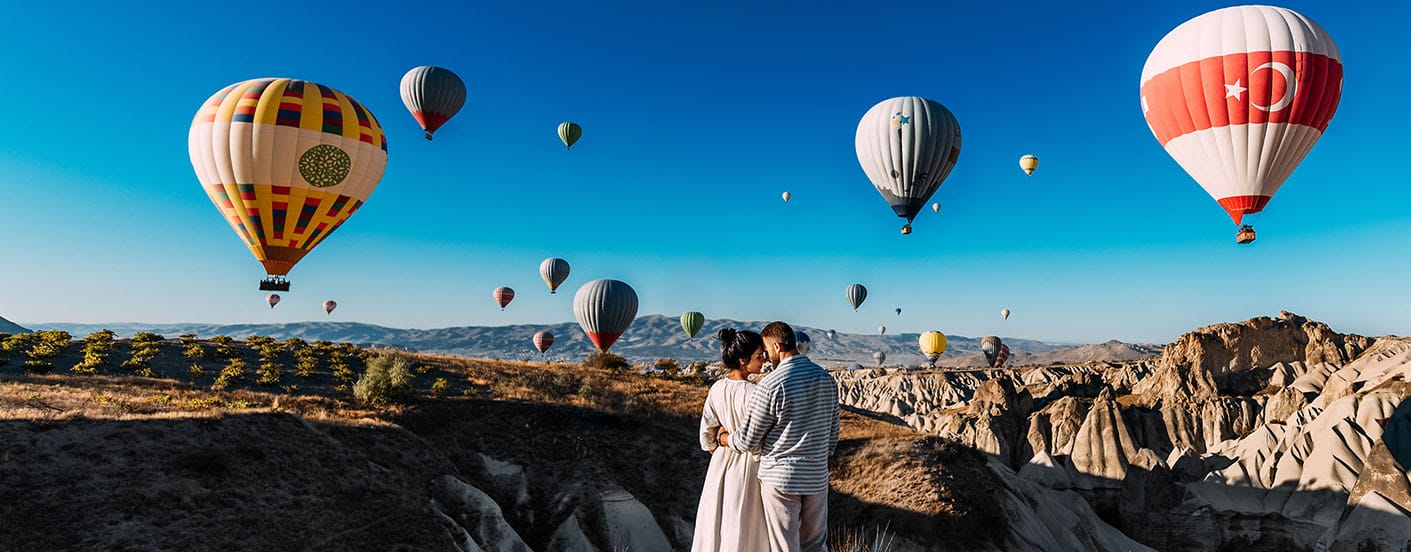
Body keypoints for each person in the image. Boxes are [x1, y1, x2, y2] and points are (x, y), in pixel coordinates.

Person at [719, 321, 840, 552]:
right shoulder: (826, 379)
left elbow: (746, 440)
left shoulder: (771, 386)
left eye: (765, 350)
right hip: (816, 477)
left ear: (777, 346)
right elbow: (833, 435)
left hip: (781, 479)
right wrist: (817, 461)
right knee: (815, 545)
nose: (764, 357)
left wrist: (724, 438)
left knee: (785, 546)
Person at [691, 328, 770, 551]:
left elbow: (706, 436)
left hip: (721, 465)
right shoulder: (755, 392)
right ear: (743, 360)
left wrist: (721, 446)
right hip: (749, 465)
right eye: (758, 356)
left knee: (717, 523)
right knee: (744, 526)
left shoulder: (717, 389)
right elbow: (758, 439)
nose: (764, 360)